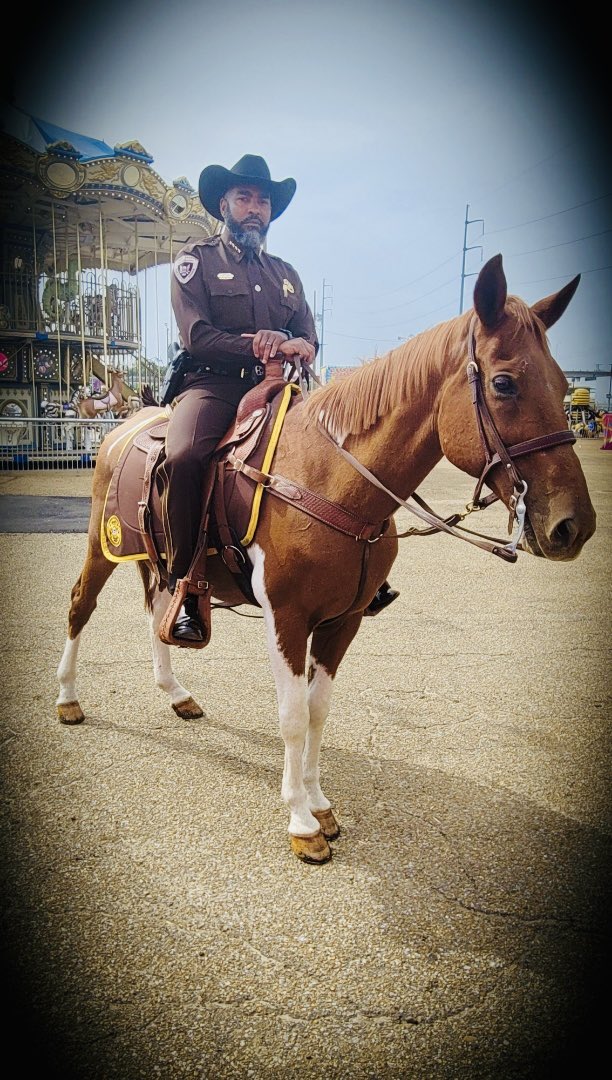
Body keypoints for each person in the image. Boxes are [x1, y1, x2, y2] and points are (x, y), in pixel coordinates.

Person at [161, 154, 398, 642]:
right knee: (184, 456)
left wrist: (303, 344)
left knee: (344, 448)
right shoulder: (196, 261)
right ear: (223, 203)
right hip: (213, 385)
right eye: (244, 197)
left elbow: (307, 332)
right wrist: (257, 341)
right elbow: (196, 336)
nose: (254, 207)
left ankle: (366, 572)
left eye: (262, 200)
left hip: (280, 387)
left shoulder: (285, 273)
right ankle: (185, 581)